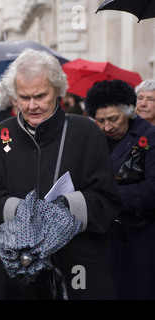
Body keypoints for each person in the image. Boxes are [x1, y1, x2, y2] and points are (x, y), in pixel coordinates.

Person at [0, 49, 122, 300]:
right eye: (24, 97)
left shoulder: (86, 132)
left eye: (40, 96)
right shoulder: (1, 133)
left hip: (77, 264)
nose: (32, 106)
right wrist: (21, 211)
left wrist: (64, 208)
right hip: (17, 272)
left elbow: (107, 199)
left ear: (58, 90)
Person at [84, 79, 155, 299]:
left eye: (113, 119)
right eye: (100, 121)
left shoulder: (149, 137)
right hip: (103, 238)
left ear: (129, 112)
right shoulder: (93, 138)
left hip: (139, 237)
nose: (108, 127)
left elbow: (152, 188)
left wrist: (107, 199)